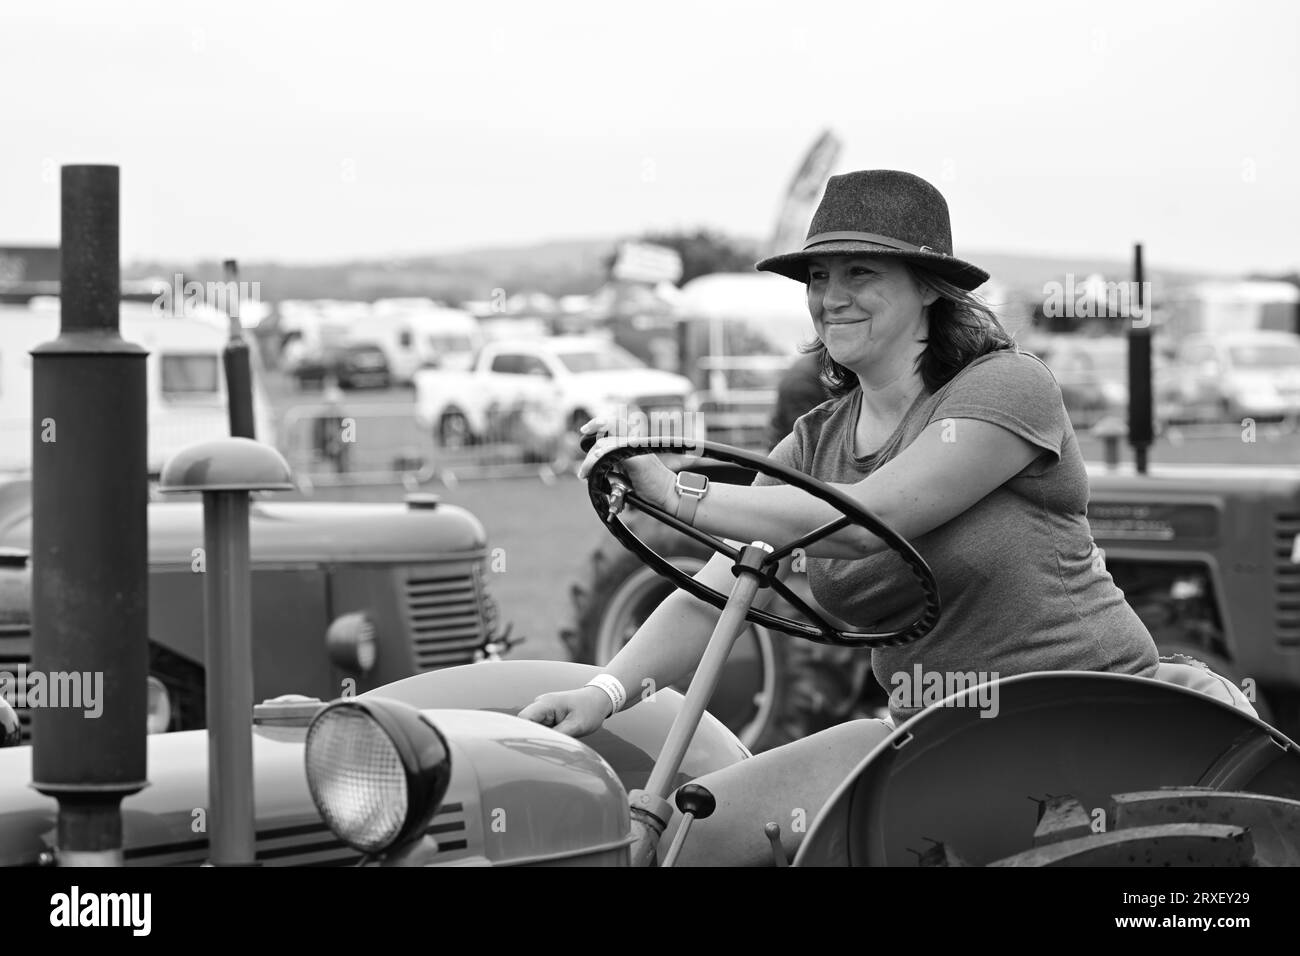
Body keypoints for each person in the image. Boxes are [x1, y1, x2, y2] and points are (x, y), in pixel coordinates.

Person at [519, 169, 1162, 866]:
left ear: (927, 286)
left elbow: (867, 520)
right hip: (933, 736)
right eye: (818, 277)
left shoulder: (1006, 389)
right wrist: (601, 692)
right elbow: (717, 591)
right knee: (683, 842)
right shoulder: (814, 443)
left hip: (1083, 721)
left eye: (860, 272)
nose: (831, 297)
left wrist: (681, 494)